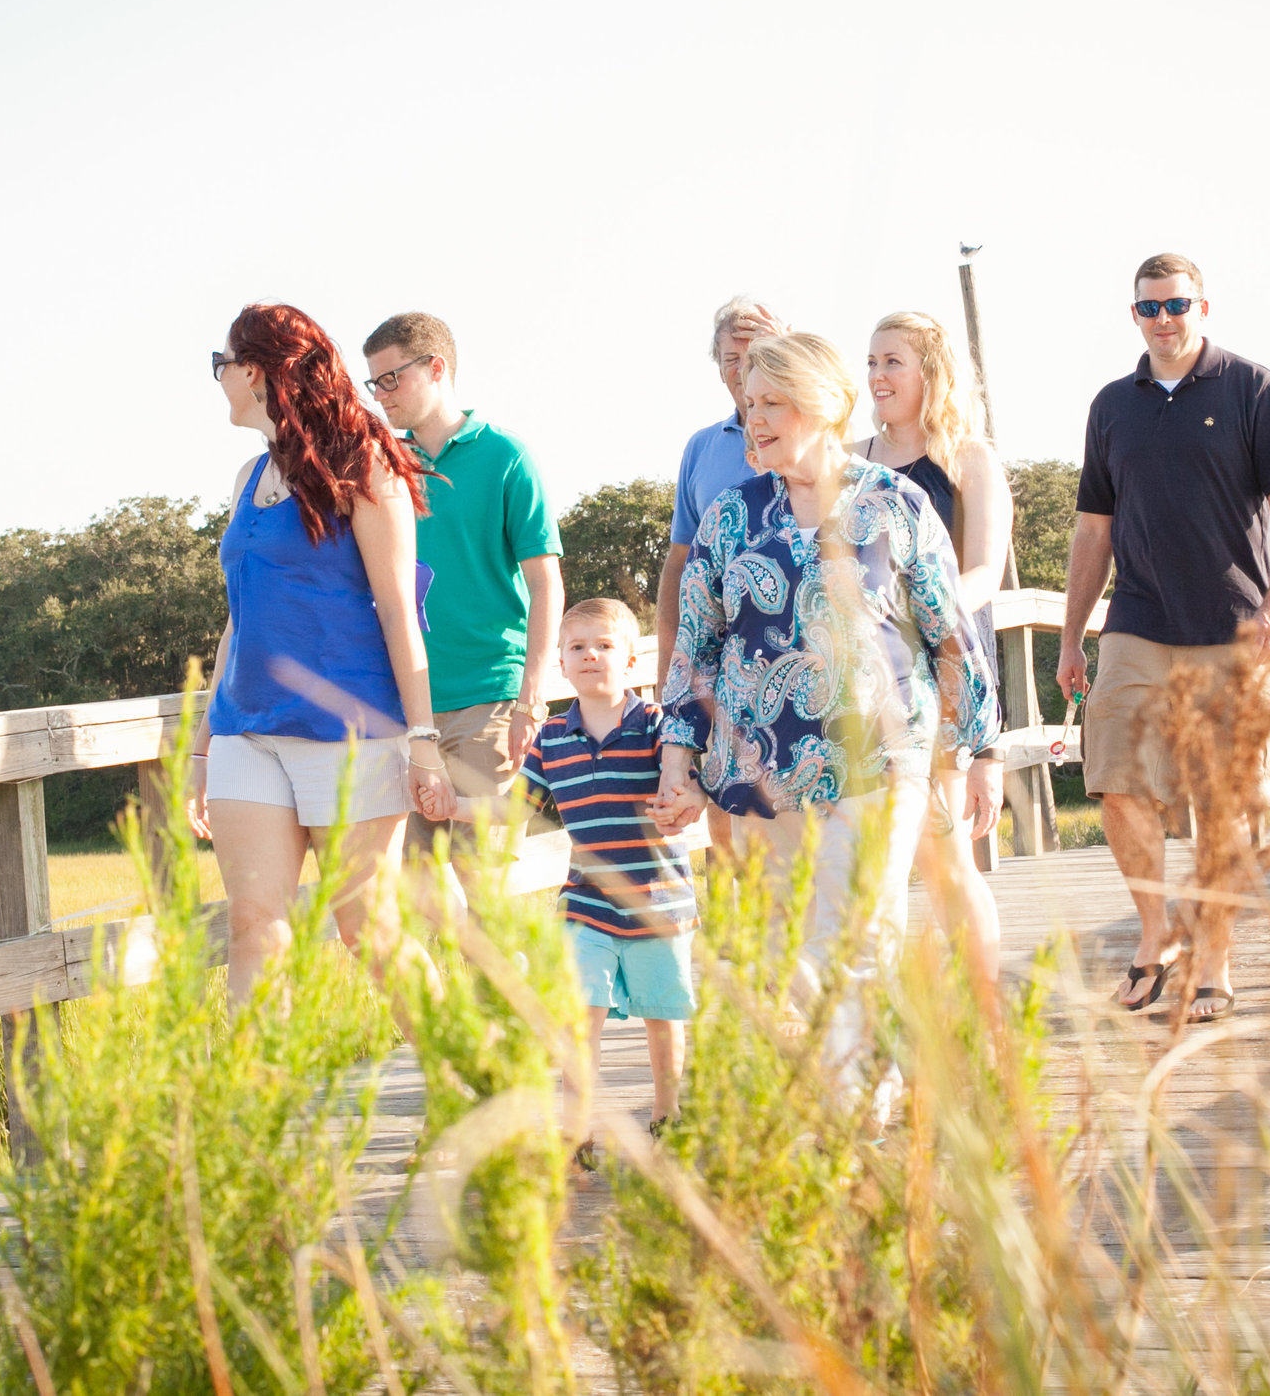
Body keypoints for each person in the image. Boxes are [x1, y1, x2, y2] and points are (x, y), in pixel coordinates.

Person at [650, 331, 1003, 1100]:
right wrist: (676, 759)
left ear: (820, 404)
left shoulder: (894, 502)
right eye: (748, 406)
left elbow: (949, 632)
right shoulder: (730, 518)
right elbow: (695, 651)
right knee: (786, 950)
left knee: (856, 934)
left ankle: (863, 1110)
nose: (756, 420)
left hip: (880, 758)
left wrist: (981, 751)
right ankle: (878, 1086)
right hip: (760, 772)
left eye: (772, 403)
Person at [1055, 255, 1270, 1025]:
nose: (1162, 320)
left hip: (1231, 627)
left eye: (1175, 305)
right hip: (1136, 621)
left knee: (1221, 801)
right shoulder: (1111, 406)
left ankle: (1215, 959)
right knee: (1117, 777)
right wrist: (1072, 637)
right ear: (1133, 315)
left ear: (1204, 305)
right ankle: (1156, 931)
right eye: (1147, 309)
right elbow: (1093, 529)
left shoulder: (1250, 388)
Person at [187, 304, 456, 1002]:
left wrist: (422, 739)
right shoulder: (250, 476)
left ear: (253, 371)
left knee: (368, 926)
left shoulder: (363, 464)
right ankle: (262, 1106)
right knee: (254, 926)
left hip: (350, 731)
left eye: (221, 366)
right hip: (248, 732)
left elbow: (400, 610)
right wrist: (201, 744)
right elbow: (238, 620)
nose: (218, 379)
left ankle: (466, 1077)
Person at [462, 599, 695, 1170]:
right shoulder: (552, 741)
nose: (591, 655)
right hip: (585, 905)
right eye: (577, 647)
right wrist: (455, 802)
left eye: (605, 645)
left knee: (662, 1019)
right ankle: (577, 1130)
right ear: (562, 665)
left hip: (657, 902)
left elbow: (688, 779)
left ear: (632, 659)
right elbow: (514, 808)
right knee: (576, 1017)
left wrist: (685, 791)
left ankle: (668, 1114)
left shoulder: (659, 729)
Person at [360, 312, 565, 858]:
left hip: (487, 700)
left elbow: (546, 584)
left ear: (436, 368)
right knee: (413, 891)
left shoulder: (507, 458)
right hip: (405, 708)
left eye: (390, 378)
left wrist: (532, 700)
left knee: (485, 895)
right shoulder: (382, 465)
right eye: (372, 383)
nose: (380, 395)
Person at [851, 310, 1013, 988]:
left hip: (941, 672)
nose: (878, 376)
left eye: (893, 361)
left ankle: (985, 1008)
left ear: (930, 370)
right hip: (866, 685)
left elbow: (984, 572)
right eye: (871, 362)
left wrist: (915, 608)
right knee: (866, 863)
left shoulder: (968, 459)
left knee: (945, 858)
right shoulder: (854, 460)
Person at [654, 296, 786, 682]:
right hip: (724, 663)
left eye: (760, 351)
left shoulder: (817, 438)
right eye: (732, 359)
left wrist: (788, 350)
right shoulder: (700, 449)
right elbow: (680, 561)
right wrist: (668, 666)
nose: (745, 368)